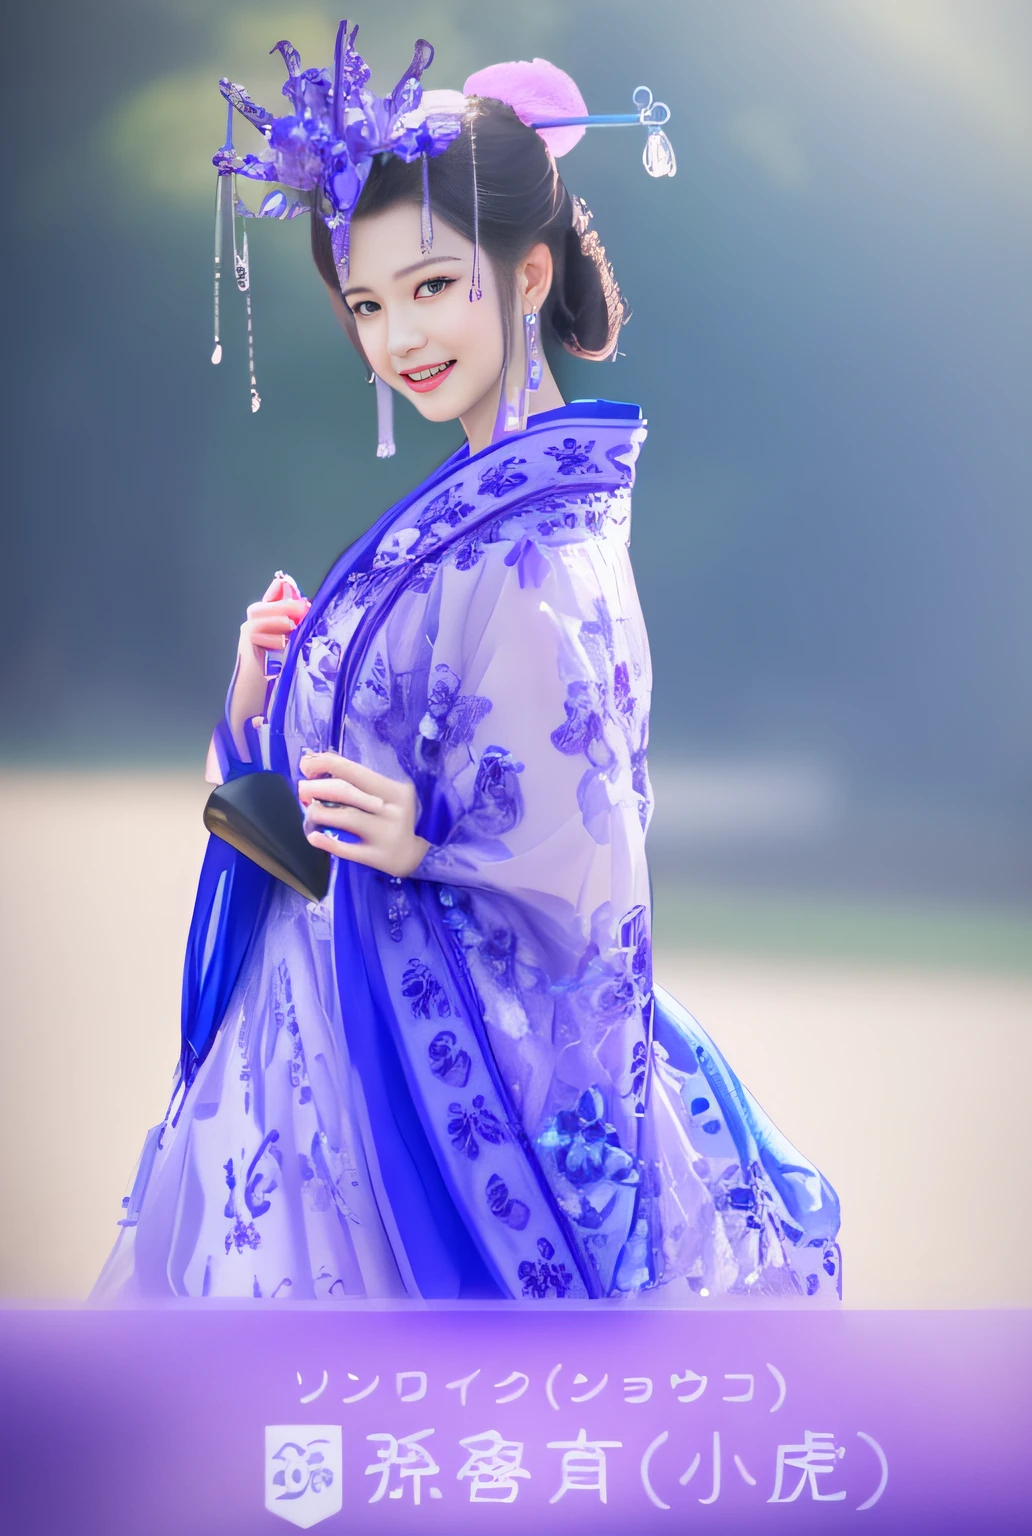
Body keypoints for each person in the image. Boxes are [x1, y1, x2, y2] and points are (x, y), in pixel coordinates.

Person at [92, 30, 841, 1304]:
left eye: (433, 287)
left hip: (397, 1060)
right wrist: (259, 697)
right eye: (370, 304)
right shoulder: (475, 512)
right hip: (318, 1031)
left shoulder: (544, 545)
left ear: (527, 270)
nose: (398, 339)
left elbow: (590, 838)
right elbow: (344, 779)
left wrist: (427, 845)